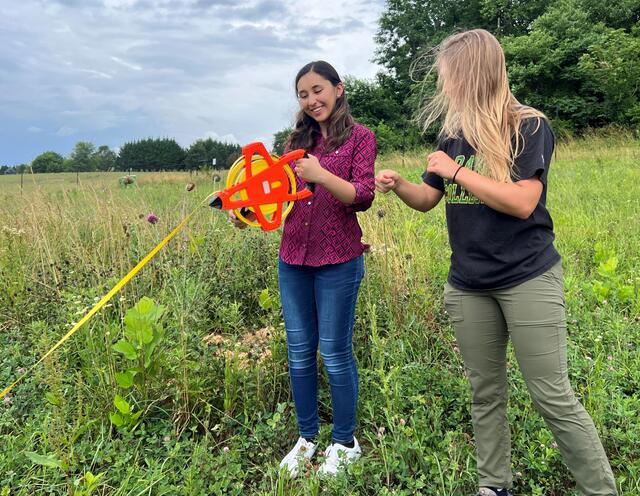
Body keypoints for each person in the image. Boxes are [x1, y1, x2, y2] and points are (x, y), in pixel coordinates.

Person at [375, 30, 617, 496]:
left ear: (473, 74)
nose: (445, 86)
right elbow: (429, 198)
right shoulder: (452, 134)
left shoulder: (528, 126)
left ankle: (600, 491)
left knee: (551, 394)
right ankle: (494, 486)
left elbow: (525, 202)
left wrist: (457, 170)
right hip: (468, 282)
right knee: (484, 393)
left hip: (527, 276)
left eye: (450, 76)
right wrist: (402, 185)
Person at [230, 60, 376, 477]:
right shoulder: (296, 139)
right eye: (303, 94)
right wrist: (246, 212)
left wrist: (320, 173)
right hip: (292, 258)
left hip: (339, 260)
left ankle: (345, 442)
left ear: (339, 88)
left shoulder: (361, 138)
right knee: (298, 355)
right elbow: (274, 195)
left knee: (333, 352)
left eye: (318, 90)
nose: (312, 100)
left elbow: (362, 196)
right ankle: (307, 438)